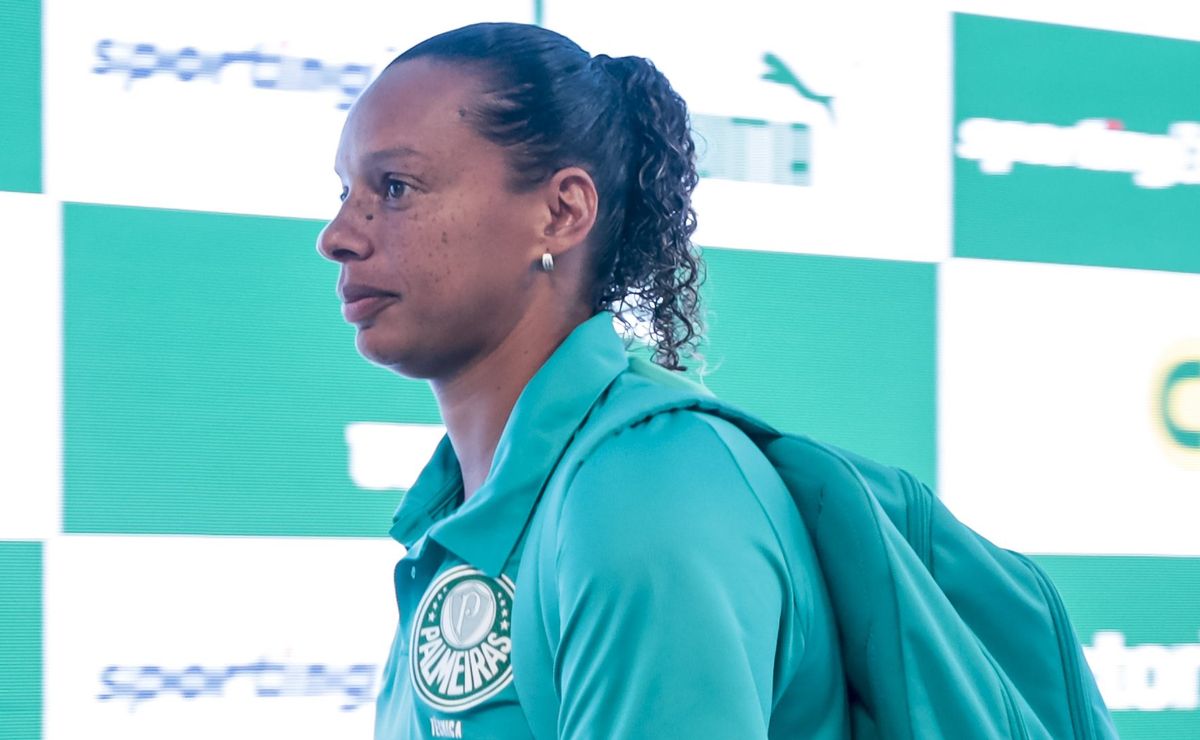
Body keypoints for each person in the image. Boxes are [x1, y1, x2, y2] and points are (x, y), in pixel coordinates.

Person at [317, 22, 849, 739]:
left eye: (395, 187)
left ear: (561, 212)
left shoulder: (644, 493)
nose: (338, 236)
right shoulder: (472, 509)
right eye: (346, 190)